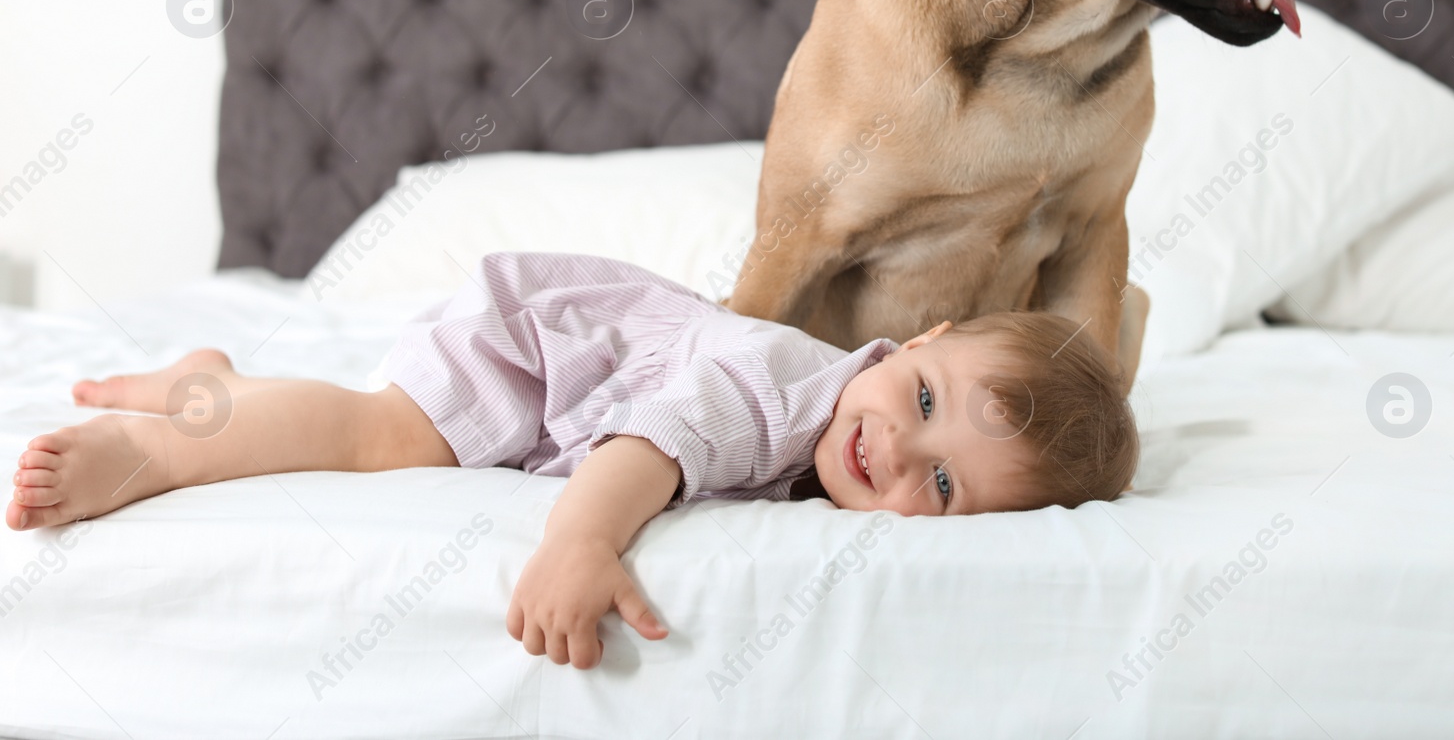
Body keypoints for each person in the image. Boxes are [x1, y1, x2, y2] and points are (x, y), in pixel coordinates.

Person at [6, 251, 1137, 669]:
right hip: (543, 346)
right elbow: (644, 449)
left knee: (359, 423)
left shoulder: (841, 429)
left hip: (597, 356)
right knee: (376, 435)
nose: (894, 446)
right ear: (918, 338)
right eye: (924, 398)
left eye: (940, 482)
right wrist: (581, 541)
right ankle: (152, 445)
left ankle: (206, 383)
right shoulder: (777, 386)